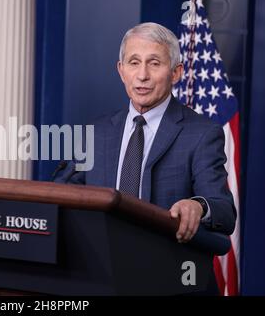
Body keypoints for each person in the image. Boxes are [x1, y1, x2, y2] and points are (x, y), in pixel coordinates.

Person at [55, 22, 236, 243]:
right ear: (121, 71)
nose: (142, 75)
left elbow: (224, 210)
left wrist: (198, 206)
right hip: (99, 263)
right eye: (134, 63)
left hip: (165, 265)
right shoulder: (94, 133)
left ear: (176, 73)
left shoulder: (202, 134)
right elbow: (62, 194)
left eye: (154, 63)